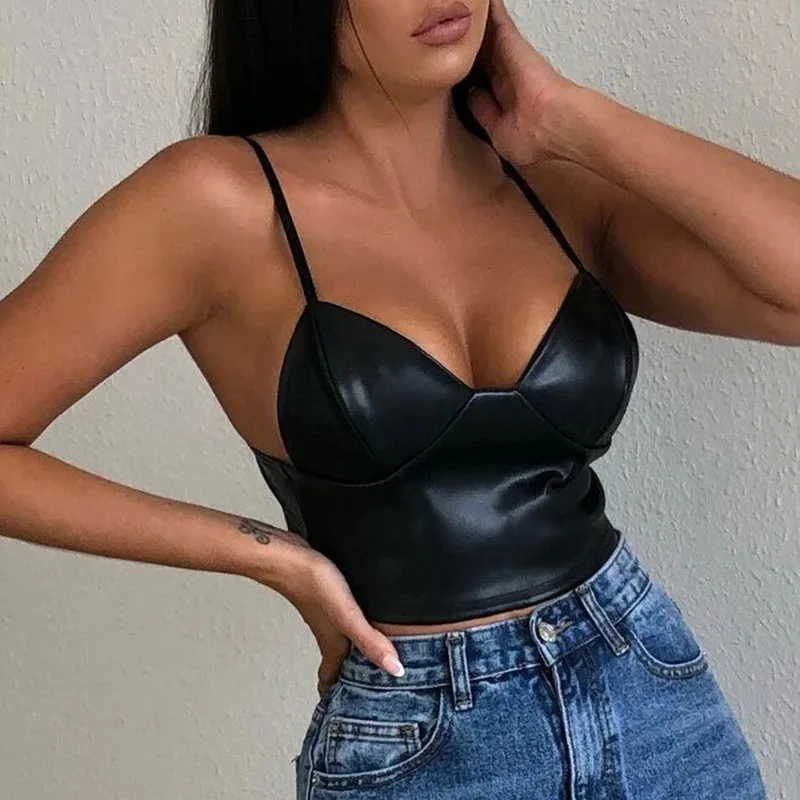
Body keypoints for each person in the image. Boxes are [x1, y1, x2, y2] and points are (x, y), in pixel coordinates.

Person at [2, 0, 797, 796]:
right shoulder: (214, 203)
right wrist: (270, 556)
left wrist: (572, 116)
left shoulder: (552, 184)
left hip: (649, 692)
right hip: (421, 741)